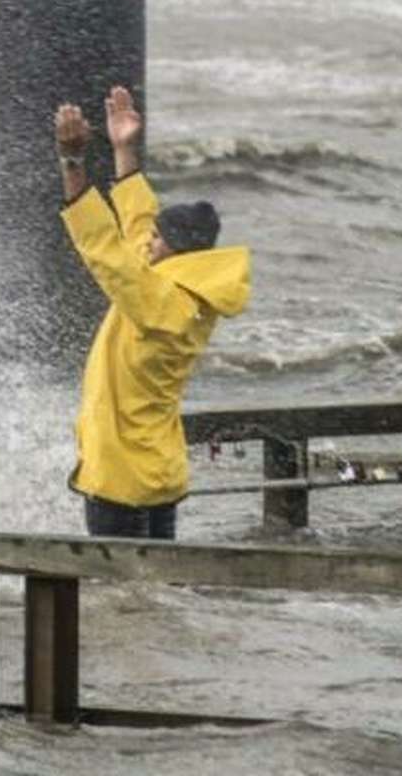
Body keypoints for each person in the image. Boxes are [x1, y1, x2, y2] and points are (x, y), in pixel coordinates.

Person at [53, 86, 251, 539]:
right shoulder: (188, 287)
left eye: (157, 241)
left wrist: (72, 162)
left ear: (174, 251)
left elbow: (105, 250)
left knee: (119, 596)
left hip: (123, 479)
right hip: (158, 470)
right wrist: (124, 149)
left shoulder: (159, 303)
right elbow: (139, 224)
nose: (148, 244)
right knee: (152, 596)